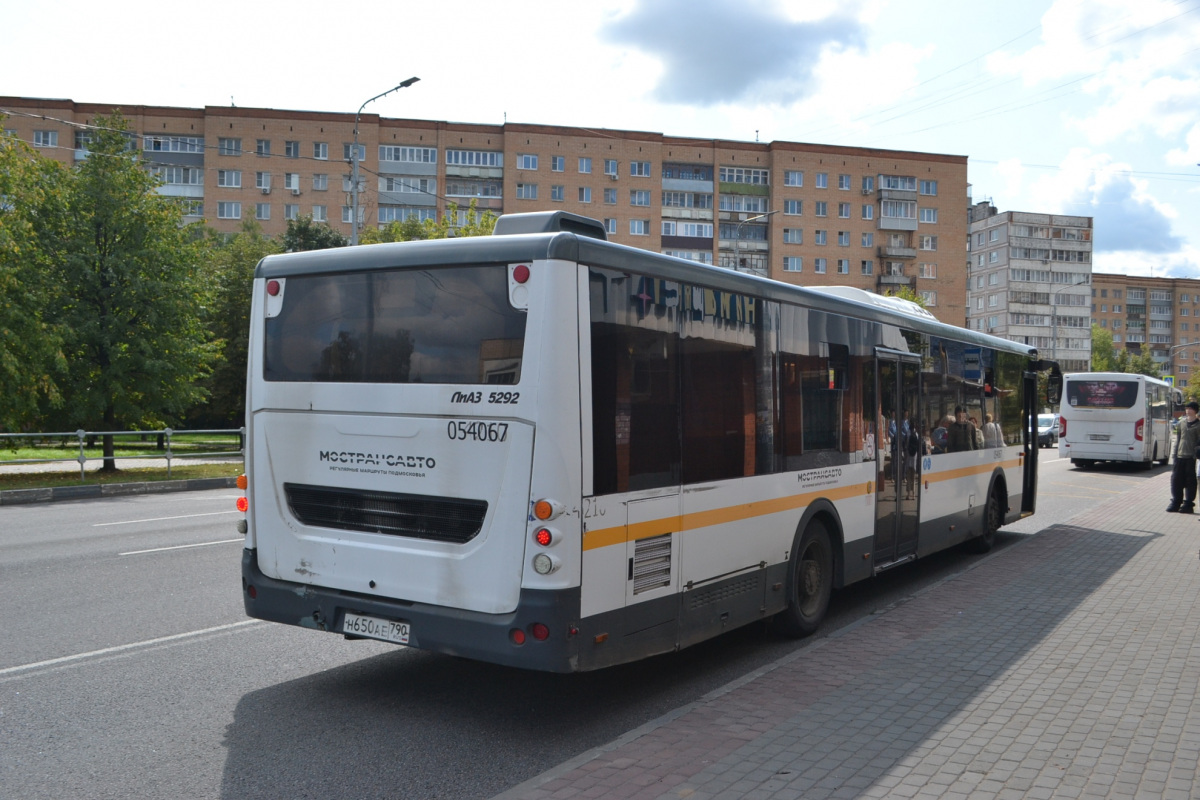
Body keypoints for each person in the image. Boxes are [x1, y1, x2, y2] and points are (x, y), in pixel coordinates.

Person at [1168, 401, 1200, 513]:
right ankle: (1176, 501)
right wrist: (1175, 454)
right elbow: (1178, 438)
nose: (1188, 410)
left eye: (1190, 408)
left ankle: (1188, 504)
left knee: (1190, 481)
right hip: (1179, 456)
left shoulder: (1198, 425)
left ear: (1195, 411)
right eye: (1186, 408)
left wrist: (1196, 453)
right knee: (1176, 479)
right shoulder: (1181, 423)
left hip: (1191, 457)